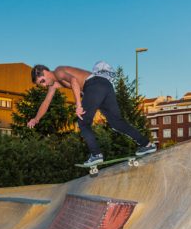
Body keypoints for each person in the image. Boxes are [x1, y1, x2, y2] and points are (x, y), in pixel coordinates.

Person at [28, 62, 156, 166]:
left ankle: (96, 155)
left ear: (45, 72)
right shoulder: (54, 85)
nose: (44, 85)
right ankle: (147, 145)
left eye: (42, 81)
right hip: (105, 85)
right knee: (116, 123)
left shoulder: (58, 71)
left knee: (83, 122)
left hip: (93, 85)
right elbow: (46, 103)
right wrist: (36, 118)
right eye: (41, 84)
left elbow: (73, 81)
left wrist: (78, 105)